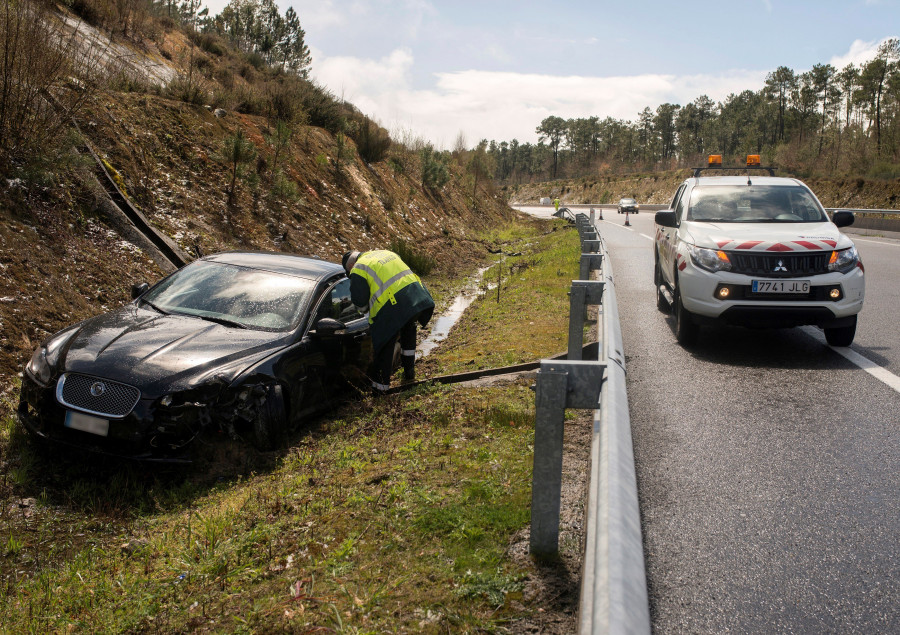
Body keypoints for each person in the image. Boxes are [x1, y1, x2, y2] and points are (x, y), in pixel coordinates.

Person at [343, 249, 435, 394]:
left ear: (350, 266)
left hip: (392, 306)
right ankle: (409, 372)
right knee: (408, 331)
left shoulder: (358, 268)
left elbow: (361, 303)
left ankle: (380, 392)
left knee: (384, 346)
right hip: (415, 296)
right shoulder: (385, 252)